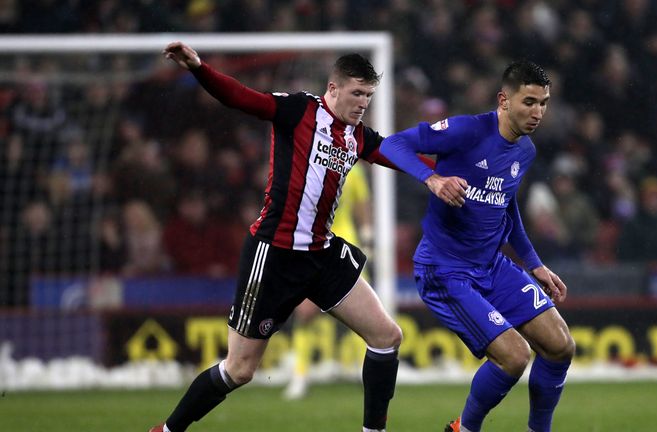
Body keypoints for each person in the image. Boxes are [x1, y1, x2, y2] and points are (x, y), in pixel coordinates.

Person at [151, 41, 432, 432]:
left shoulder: (357, 136)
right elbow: (240, 98)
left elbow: (395, 154)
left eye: (368, 95)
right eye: (356, 93)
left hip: (320, 253)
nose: (363, 102)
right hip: (275, 254)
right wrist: (199, 68)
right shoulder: (298, 110)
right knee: (240, 369)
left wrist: (442, 172)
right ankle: (167, 430)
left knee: (387, 335)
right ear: (332, 89)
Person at [380, 60, 575, 432]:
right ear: (504, 100)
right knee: (514, 357)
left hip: (492, 265)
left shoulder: (525, 151)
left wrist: (534, 263)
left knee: (560, 344)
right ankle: (464, 429)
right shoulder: (467, 130)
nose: (538, 113)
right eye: (529, 102)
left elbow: (506, 206)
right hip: (445, 269)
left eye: (544, 103)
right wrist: (432, 178)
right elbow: (394, 144)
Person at [283, 165, 373, 400]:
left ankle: (366, 372)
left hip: (344, 245)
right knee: (305, 313)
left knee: (363, 316)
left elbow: (361, 202)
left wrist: (367, 234)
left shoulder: (351, 168)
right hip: (316, 245)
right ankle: (300, 374)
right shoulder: (309, 166)